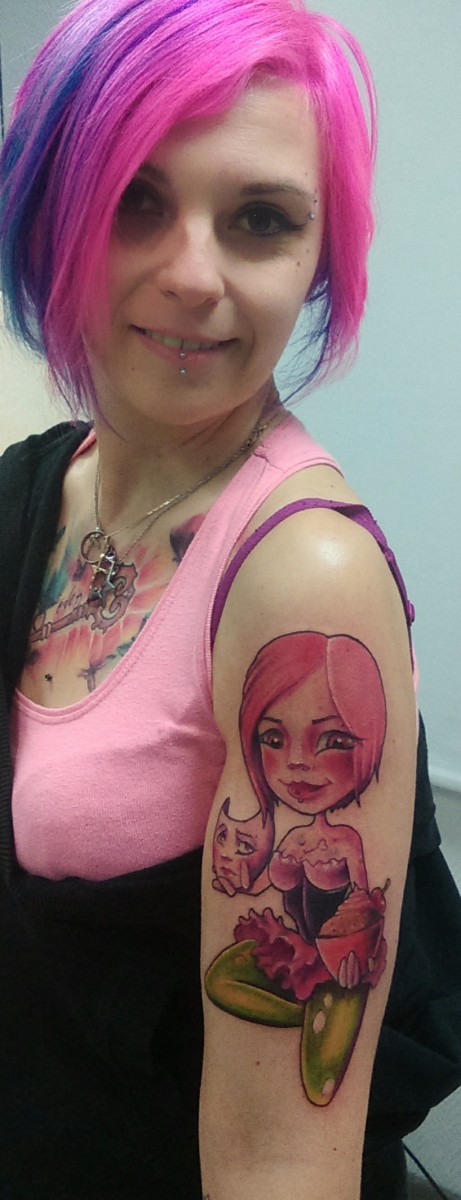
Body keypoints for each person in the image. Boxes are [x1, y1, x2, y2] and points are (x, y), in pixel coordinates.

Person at [0, 1, 460, 1197]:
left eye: (259, 219)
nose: (191, 275)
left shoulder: (303, 584)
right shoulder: (36, 485)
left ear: (317, 260)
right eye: (132, 198)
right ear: (52, 212)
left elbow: (280, 1164)